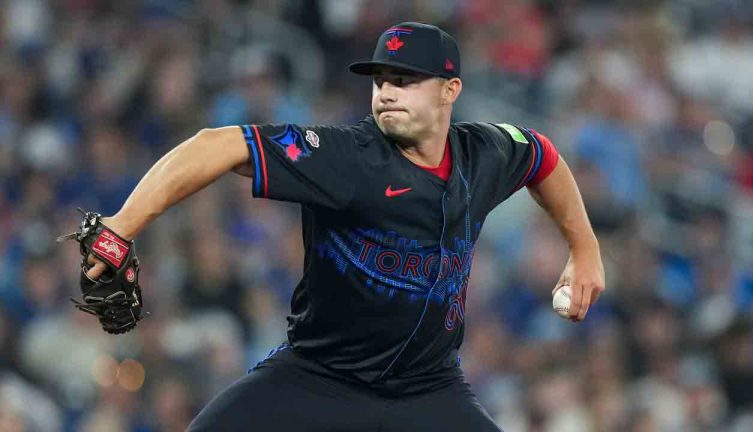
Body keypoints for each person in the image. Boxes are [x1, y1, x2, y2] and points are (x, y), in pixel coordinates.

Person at [84, 22, 605, 431]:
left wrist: (584, 250)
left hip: (428, 389)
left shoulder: (484, 153)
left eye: (405, 80)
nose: (386, 92)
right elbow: (215, 144)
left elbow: (543, 157)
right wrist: (122, 226)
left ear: (450, 90)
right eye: (380, 80)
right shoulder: (346, 157)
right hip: (318, 376)